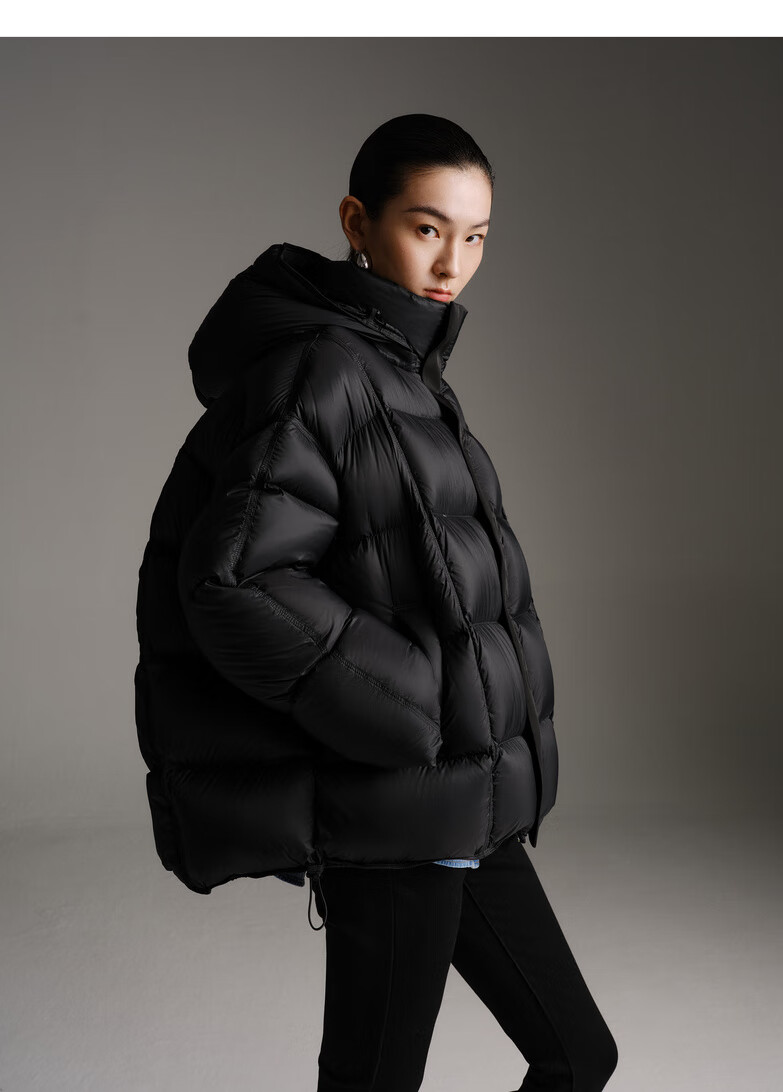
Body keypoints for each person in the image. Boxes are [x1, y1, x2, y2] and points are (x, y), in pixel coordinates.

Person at [134, 113, 618, 1091]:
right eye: (427, 227)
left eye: (475, 236)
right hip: (397, 810)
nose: (452, 264)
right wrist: (407, 708)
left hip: (462, 803)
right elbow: (235, 579)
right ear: (358, 222)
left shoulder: (400, 373)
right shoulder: (324, 370)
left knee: (577, 1056)